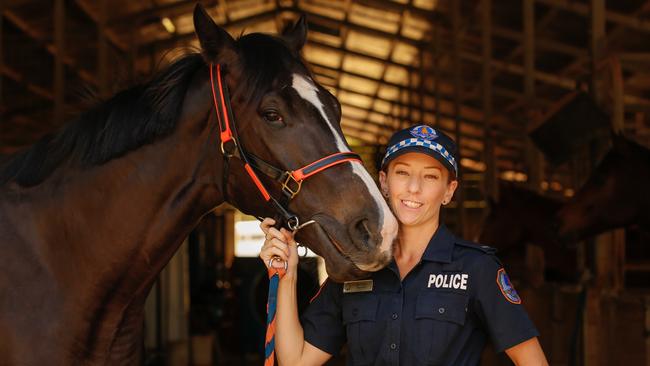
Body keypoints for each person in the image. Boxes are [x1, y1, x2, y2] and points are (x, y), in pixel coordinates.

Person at [259, 124, 549, 365]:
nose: (414, 188)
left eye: (431, 176)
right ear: (384, 182)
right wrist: (288, 275)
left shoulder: (476, 268)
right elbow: (296, 360)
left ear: (449, 191)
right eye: (403, 172)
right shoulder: (356, 266)